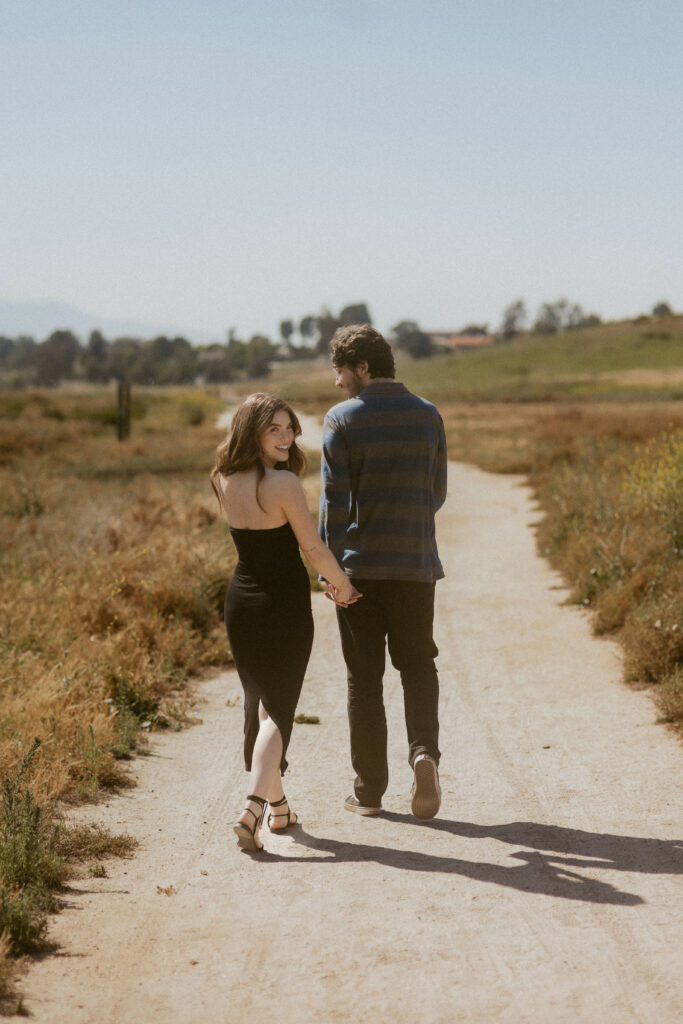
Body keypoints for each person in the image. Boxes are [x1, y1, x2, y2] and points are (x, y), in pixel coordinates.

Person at [211, 393, 361, 852]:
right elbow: (311, 548)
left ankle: (280, 811)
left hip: (240, 602)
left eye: (289, 427)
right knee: (279, 710)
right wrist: (344, 586)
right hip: (283, 605)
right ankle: (253, 806)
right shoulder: (282, 484)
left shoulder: (220, 477)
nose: (286, 436)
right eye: (273, 428)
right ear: (251, 431)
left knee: (260, 701)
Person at [319, 325, 447, 819]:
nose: (337, 382)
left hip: (359, 573)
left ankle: (370, 792)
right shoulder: (429, 414)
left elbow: (334, 503)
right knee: (418, 666)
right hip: (415, 568)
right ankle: (424, 755)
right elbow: (436, 494)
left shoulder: (342, 420)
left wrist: (333, 574)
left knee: (364, 680)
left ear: (363, 368)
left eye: (340, 371)